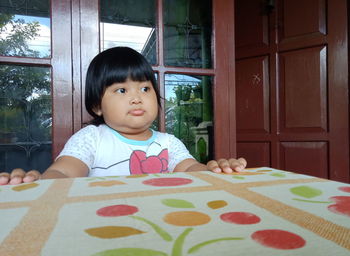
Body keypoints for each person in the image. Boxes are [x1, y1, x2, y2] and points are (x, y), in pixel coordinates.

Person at [0, 47, 246, 185]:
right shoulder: (91, 138)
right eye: (121, 90)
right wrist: (35, 184)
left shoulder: (168, 143)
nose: (137, 97)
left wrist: (217, 170)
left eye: (145, 88)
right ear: (97, 105)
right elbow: (63, 173)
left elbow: (191, 168)